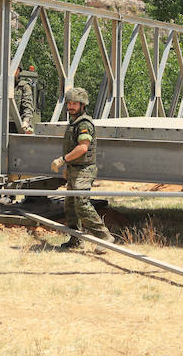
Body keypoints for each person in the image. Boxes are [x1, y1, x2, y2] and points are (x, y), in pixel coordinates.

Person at [50, 87, 114, 250]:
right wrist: (69, 167)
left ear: (82, 105)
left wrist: (63, 160)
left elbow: (83, 148)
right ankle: (76, 240)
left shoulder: (84, 123)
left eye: (75, 104)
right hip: (75, 169)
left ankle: (104, 237)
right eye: (69, 103)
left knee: (81, 204)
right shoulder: (74, 122)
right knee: (70, 206)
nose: (71, 106)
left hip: (84, 169)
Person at [15, 66, 34, 134]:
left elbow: (28, 105)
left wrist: (26, 121)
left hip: (18, 125)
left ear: (19, 71)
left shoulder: (24, 86)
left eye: (16, 69)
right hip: (0, 124)